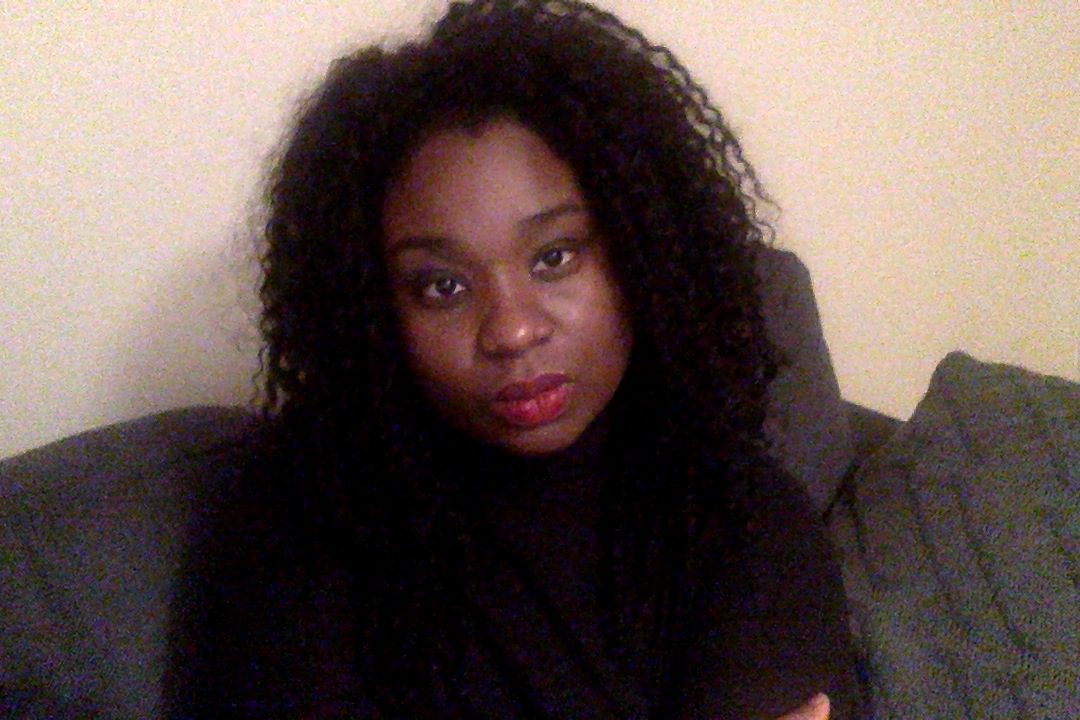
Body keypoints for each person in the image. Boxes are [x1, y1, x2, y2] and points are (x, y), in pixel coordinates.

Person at [165, 1, 867, 718]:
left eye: (555, 257)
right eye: (443, 286)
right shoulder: (292, 521)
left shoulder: (744, 522)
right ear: (373, 308)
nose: (512, 330)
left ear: (643, 252)